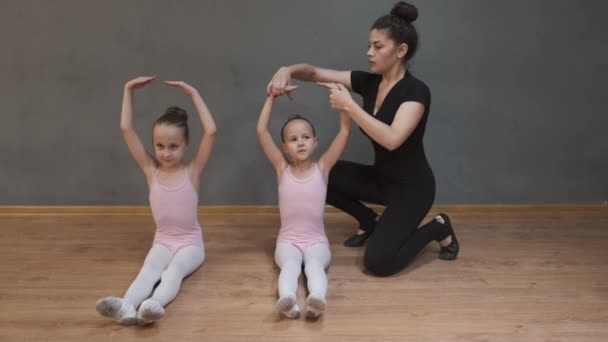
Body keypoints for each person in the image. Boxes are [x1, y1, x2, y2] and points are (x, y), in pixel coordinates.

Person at [267, 1, 459, 277]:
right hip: (381, 180)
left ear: (400, 51)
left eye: (378, 46)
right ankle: (368, 220)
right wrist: (288, 69)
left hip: (412, 189)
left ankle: (437, 227)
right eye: (369, 45)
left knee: (379, 263)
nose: (369, 52)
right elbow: (313, 72)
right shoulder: (368, 82)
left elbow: (392, 139)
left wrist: (350, 107)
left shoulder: (416, 92)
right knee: (322, 175)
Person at [96, 77, 217, 325]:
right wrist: (127, 89)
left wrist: (194, 93)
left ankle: (154, 305)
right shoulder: (151, 170)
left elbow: (211, 131)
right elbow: (126, 129)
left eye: (173, 146)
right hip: (162, 240)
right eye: (160, 146)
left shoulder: (192, 171)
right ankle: (126, 306)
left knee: (173, 272)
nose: (166, 152)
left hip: (190, 245)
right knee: (149, 270)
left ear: (186, 145)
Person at [256, 86, 350, 319]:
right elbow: (261, 131)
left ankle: (317, 300)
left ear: (315, 142)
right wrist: (271, 98)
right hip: (287, 241)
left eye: (306, 137)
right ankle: (287, 300)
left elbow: (345, 132)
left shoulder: (322, 169)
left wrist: (344, 101)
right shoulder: (282, 170)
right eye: (293, 139)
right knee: (290, 267)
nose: (300, 143)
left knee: (314, 267)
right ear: (284, 148)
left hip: (317, 241)